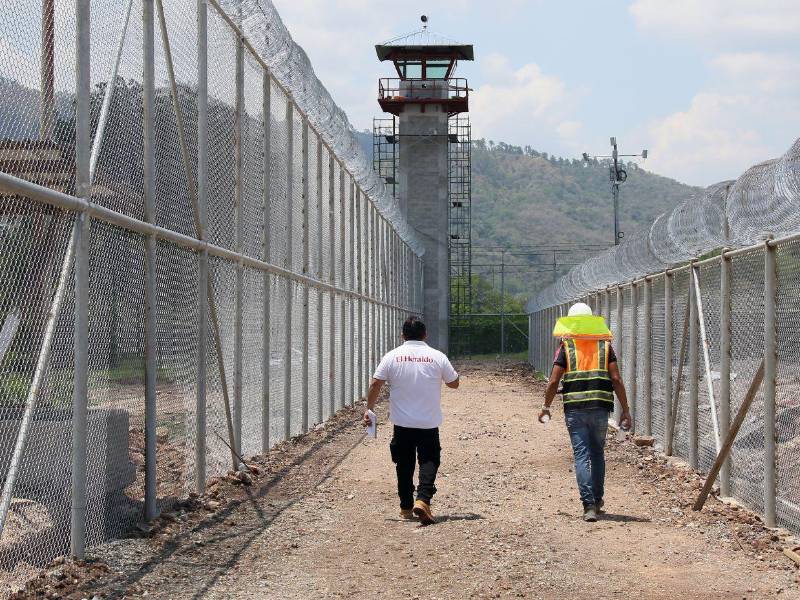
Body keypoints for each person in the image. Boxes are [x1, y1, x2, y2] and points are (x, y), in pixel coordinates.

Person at [537, 302, 632, 522]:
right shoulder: (605, 347)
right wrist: (625, 410)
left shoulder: (566, 347)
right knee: (597, 453)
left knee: (581, 454)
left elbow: (553, 381)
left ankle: (588, 505)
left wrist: (546, 407)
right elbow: (616, 379)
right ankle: (598, 500)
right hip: (600, 408)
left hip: (575, 409)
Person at [363, 316, 460, 525]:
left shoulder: (392, 356)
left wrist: (369, 409)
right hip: (428, 422)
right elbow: (454, 384)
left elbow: (376, 383)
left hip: (402, 423)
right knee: (429, 460)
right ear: (425, 335)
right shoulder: (437, 356)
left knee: (403, 463)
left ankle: (406, 506)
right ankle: (423, 499)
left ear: (402, 335)